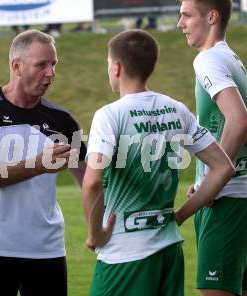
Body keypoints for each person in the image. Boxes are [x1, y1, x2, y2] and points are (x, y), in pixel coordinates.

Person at [82, 29, 235, 296]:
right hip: (169, 249)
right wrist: (180, 216)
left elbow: (92, 182)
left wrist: (95, 235)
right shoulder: (177, 109)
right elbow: (223, 167)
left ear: (116, 67)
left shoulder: (109, 115)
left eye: (108, 65)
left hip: (125, 253)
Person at [0, 29, 87, 296]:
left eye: (53, 64)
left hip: (47, 249)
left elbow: (92, 182)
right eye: (41, 65)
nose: (50, 73)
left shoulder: (62, 120)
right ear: (16, 66)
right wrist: (39, 165)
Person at [177, 0, 247, 295]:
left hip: (227, 201)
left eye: (186, 15)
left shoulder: (208, 60)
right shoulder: (231, 58)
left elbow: (239, 120)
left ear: (212, 17)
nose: (181, 23)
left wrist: (212, 180)